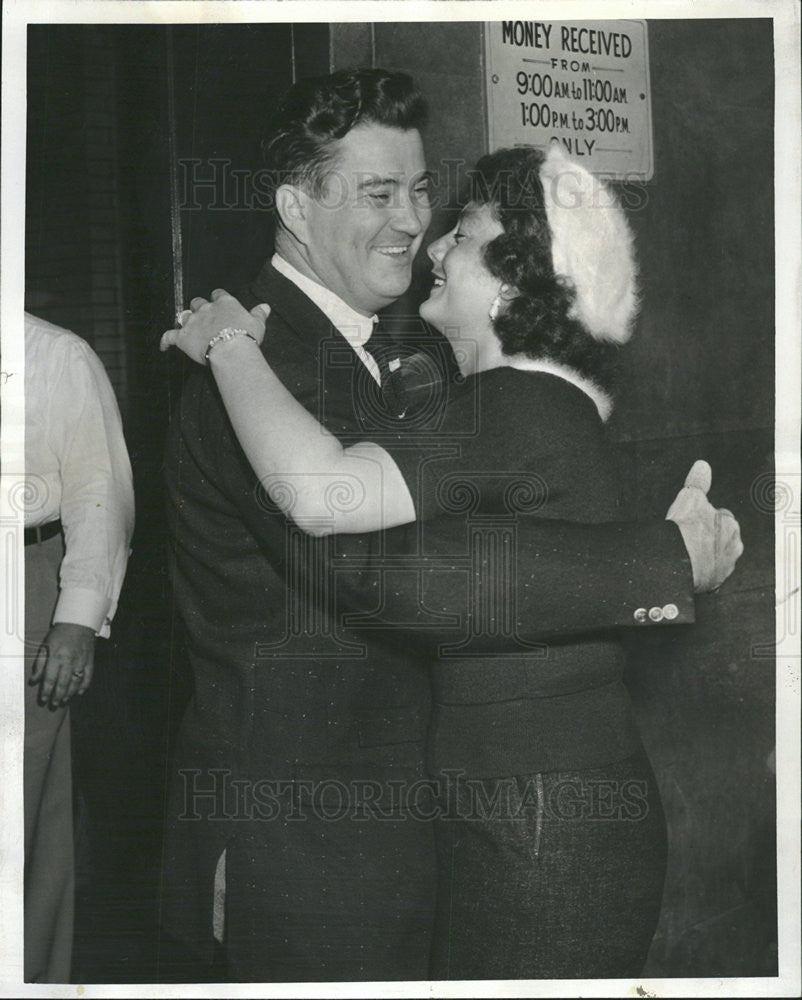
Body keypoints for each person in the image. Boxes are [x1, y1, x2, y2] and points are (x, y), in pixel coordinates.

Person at [161, 68, 738, 983]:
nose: (413, 224)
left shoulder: (425, 356)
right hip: (312, 851)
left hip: (434, 834)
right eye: (379, 193)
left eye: (425, 191)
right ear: (294, 209)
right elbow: (375, 573)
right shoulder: (252, 370)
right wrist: (658, 564)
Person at [22, 312, 135, 982]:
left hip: (26, 583)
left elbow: (100, 491)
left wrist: (77, 619)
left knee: (22, 817)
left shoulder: (57, 354)